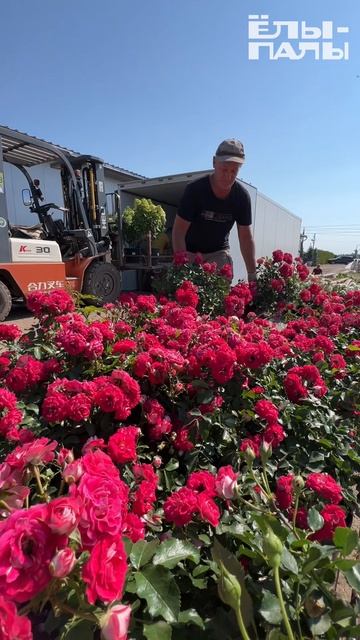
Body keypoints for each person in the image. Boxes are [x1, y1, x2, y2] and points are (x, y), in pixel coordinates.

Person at [172, 139, 257, 281]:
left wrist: (252, 276)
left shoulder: (241, 197)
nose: (228, 176)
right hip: (190, 252)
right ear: (214, 162)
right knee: (182, 296)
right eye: (224, 169)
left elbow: (246, 238)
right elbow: (178, 232)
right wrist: (183, 265)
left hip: (218, 253)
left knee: (222, 297)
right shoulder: (195, 190)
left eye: (234, 171)